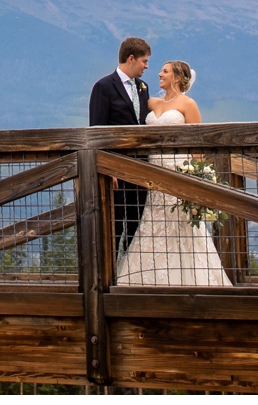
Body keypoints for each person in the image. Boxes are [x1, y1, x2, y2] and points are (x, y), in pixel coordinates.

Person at [114, 60, 230, 288]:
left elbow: (197, 146)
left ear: (177, 77)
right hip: (152, 174)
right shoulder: (151, 102)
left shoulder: (188, 104)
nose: (159, 73)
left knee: (181, 226)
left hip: (178, 174)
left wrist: (199, 179)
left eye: (165, 71)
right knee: (152, 224)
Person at [89, 37, 152, 257]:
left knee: (137, 225)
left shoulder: (143, 88)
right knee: (114, 225)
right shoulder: (104, 87)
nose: (146, 66)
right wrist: (107, 167)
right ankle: (110, 278)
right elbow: (97, 130)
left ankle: (130, 275)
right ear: (131, 58)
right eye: (144, 61)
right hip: (115, 170)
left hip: (142, 169)